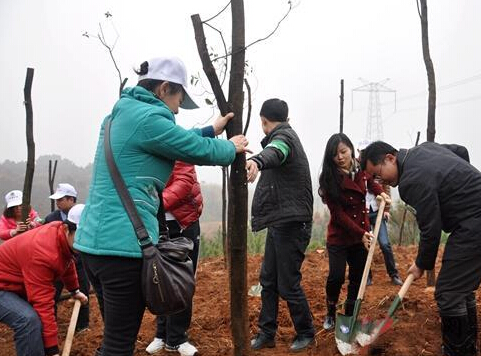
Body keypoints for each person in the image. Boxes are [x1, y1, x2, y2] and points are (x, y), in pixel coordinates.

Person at [74, 56, 249, 356]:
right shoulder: (149, 119)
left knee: (113, 339)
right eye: (180, 95)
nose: (180, 104)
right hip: (122, 249)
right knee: (118, 347)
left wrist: (211, 130)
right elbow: (194, 149)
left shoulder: (119, 116)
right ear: (165, 88)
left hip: (93, 246)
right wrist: (230, 147)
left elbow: (175, 139)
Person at [359, 141, 481, 356]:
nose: (382, 180)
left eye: (379, 174)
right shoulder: (424, 149)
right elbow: (461, 150)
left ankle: (457, 351)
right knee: (460, 287)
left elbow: (430, 229)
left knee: (448, 292)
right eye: (376, 179)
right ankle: (468, 345)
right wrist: (460, 190)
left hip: (480, 222)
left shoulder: (411, 181)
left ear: (390, 158)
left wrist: (421, 264)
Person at [246, 98, 315, 352]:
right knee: (268, 280)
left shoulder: (284, 138)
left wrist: (257, 161)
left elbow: (277, 151)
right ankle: (267, 333)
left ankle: (306, 332)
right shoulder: (284, 135)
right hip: (281, 222)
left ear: (264, 121)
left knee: (287, 283)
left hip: (293, 224)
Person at [318, 133, 388, 330]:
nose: (340, 157)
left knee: (357, 278)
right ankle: (331, 311)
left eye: (343, 151)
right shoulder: (329, 179)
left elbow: (369, 181)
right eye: (335, 154)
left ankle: (349, 315)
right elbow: (338, 215)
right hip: (340, 237)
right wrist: (361, 233)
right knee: (336, 276)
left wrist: (379, 191)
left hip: (361, 236)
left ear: (350, 149)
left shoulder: (360, 169)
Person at [0, 204, 88, 356]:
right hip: (2, 286)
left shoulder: (60, 233)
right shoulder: (42, 252)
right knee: (28, 320)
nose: (85, 243)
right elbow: (43, 302)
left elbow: (67, 263)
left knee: (37, 322)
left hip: (16, 284)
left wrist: (75, 291)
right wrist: (52, 350)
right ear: (67, 229)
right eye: (81, 235)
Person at [145, 161, 203, 356]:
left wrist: (152, 204)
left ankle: (178, 337)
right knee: (159, 279)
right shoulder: (150, 150)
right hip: (158, 226)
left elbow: (184, 183)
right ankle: (161, 334)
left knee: (182, 282)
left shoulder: (179, 148)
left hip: (183, 224)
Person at [45, 183, 91, 333]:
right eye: (56, 200)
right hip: (58, 263)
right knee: (53, 294)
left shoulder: (83, 214)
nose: (58, 203)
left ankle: (82, 326)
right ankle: (51, 325)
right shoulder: (52, 218)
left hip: (79, 262)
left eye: (61, 199)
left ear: (72, 199)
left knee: (82, 292)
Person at [358, 140, 403, 286]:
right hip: (363, 212)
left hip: (377, 211)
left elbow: (386, 187)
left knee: (384, 244)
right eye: (361, 152)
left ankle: (393, 274)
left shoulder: (376, 169)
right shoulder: (357, 170)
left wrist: (387, 210)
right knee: (366, 246)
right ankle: (367, 276)